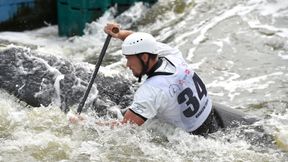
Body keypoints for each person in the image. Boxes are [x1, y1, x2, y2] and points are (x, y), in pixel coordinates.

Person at [71, 23, 219, 136]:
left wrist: (86, 123)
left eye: (130, 59)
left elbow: (125, 127)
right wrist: (119, 33)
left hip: (194, 136)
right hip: (210, 114)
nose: (127, 65)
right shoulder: (170, 55)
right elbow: (141, 40)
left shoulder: (150, 91)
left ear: (144, 57)